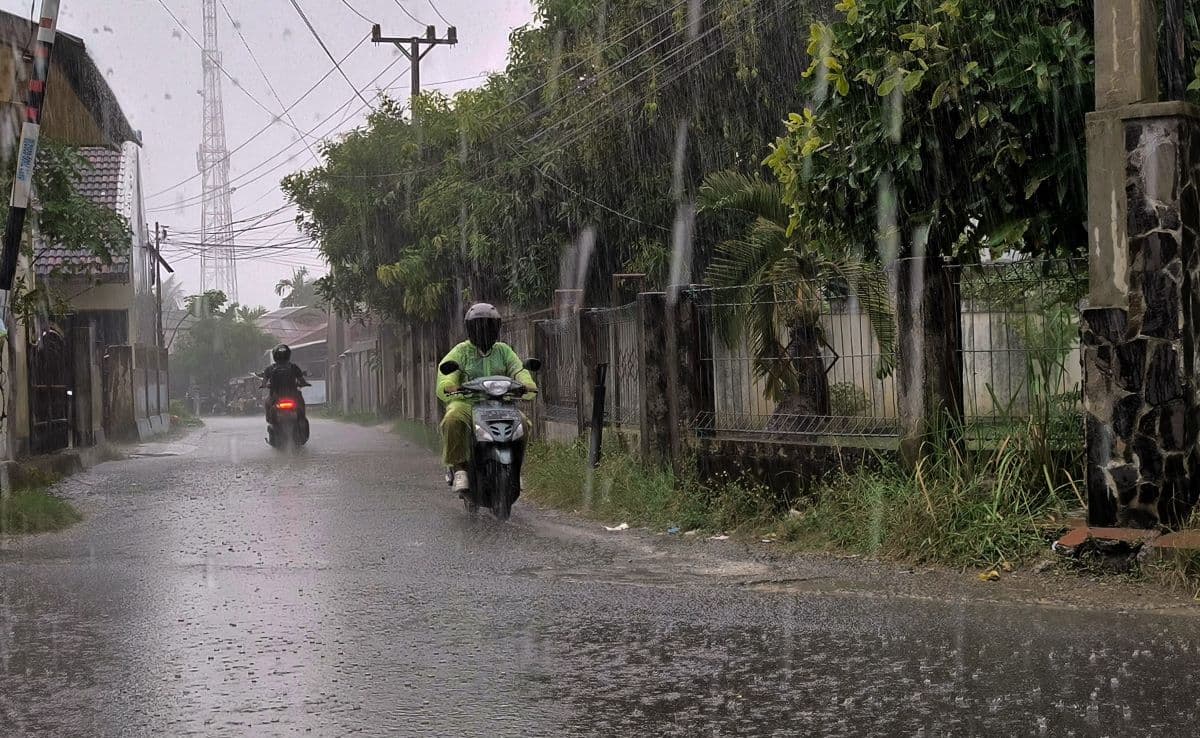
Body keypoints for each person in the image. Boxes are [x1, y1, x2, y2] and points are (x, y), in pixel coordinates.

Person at [437, 303, 537, 495]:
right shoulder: (461, 351)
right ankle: (459, 468)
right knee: (452, 418)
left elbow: (519, 370)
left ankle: (515, 469)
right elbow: (445, 374)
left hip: (501, 403)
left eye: (489, 326)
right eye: (478, 326)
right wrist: (449, 386)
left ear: (497, 328)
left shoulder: (504, 351)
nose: (484, 330)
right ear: (470, 329)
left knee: (523, 423)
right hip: (467, 404)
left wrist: (527, 384)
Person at [261, 344, 311, 436]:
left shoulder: (270, 368)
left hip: (275, 397)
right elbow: (302, 380)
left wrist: (264, 385)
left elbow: (264, 382)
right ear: (288, 354)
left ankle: (270, 420)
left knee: (267, 402)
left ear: (274, 355)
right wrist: (304, 384)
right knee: (301, 403)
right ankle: (302, 419)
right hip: (293, 396)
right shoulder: (294, 367)